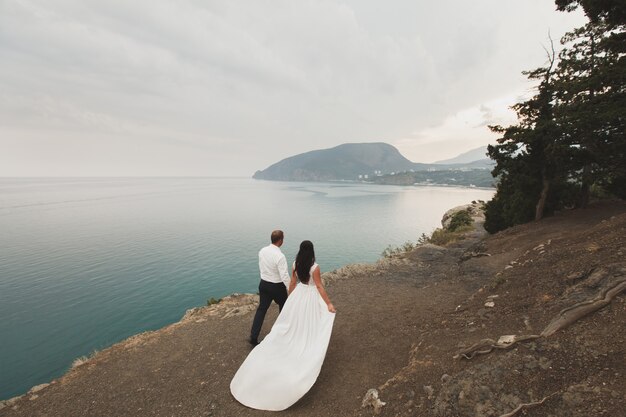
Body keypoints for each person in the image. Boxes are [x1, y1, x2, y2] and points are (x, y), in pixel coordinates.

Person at [231, 240, 336, 411]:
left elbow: (292, 283)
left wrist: (291, 299)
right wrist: (329, 304)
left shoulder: (295, 263)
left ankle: (298, 337)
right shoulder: (314, 267)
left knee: (296, 321)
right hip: (310, 297)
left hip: (298, 295)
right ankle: (307, 339)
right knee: (312, 320)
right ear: (312, 251)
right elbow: (318, 286)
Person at [249, 230, 290, 346]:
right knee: (284, 308)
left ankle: (253, 337)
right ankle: (282, 334)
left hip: (264, 284)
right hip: (277, 286)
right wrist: (291, 288)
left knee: (261, 310)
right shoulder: (280, 256)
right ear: (281, 240)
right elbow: (284, 276)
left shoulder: (262, 251)